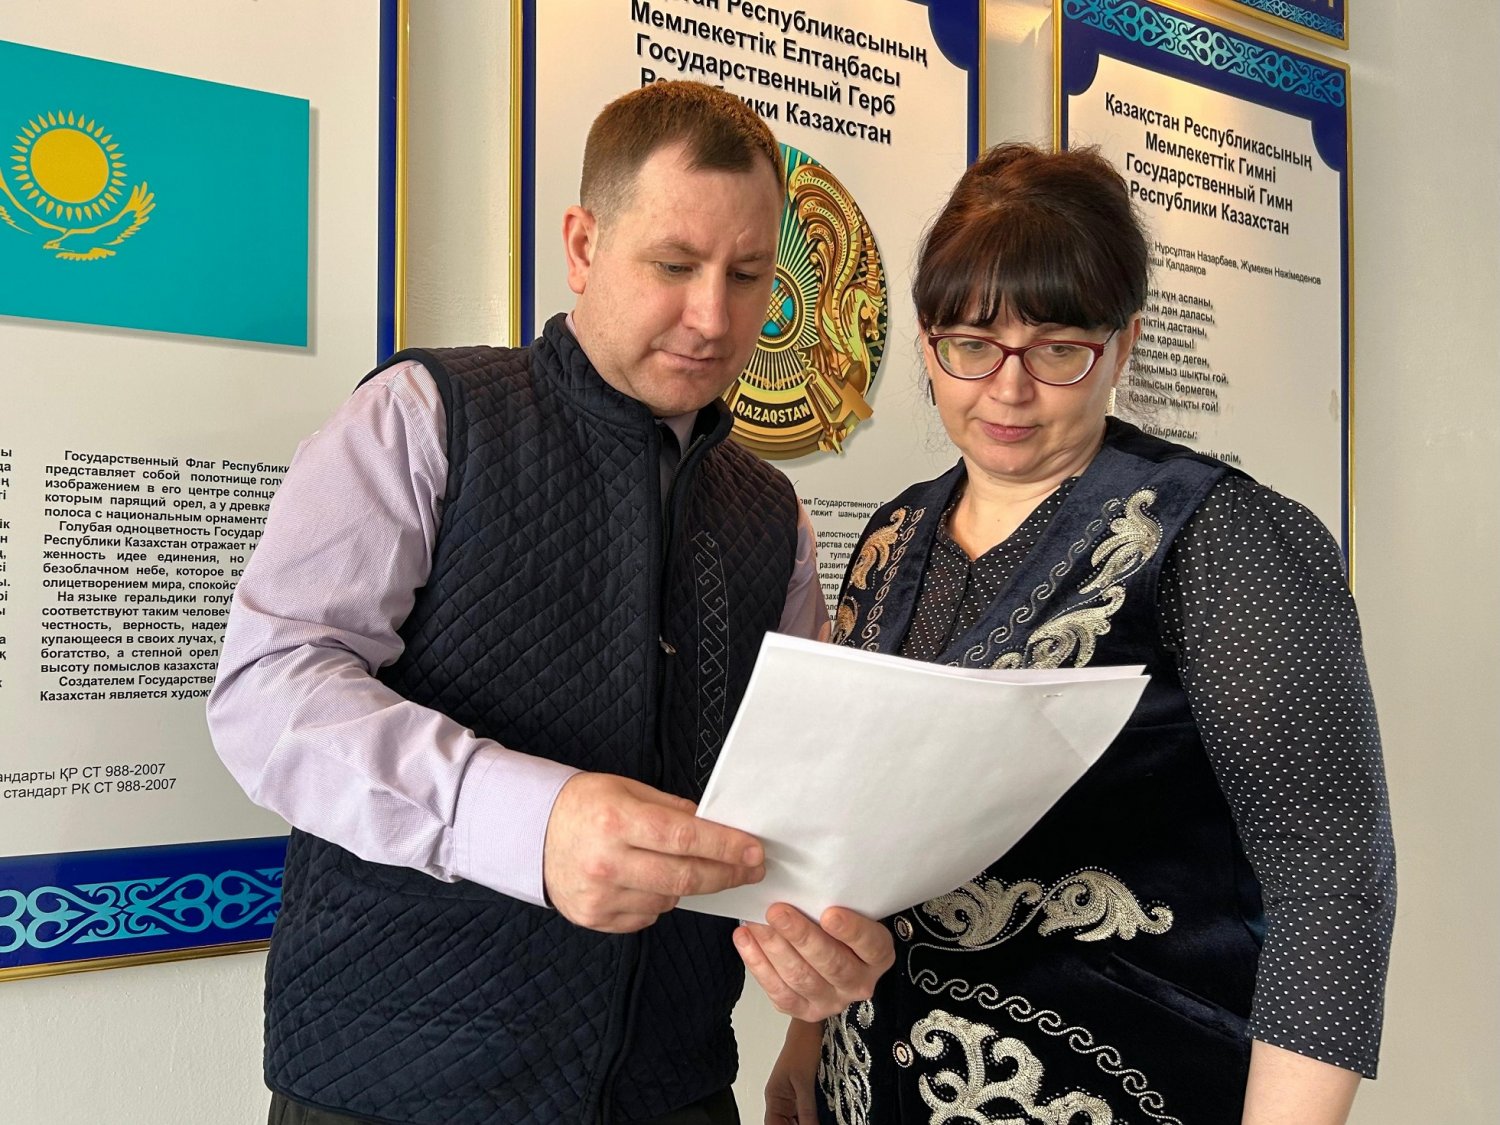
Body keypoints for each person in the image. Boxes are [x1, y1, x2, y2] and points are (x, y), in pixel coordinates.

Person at [207, 81, 893, 1125]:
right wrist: (526, 825)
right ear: (582, 245)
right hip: (394, 1092)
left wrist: (830, 931)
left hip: (673, 1089)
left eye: (750, 275)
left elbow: (794, 790)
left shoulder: (773, 512)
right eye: (674, 265)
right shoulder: (424, 417)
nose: (714, 318)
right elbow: (269, 693)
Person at [764, 143, 1394, 1125]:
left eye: (1057, 349)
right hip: (872, 1082)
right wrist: (805, 1045)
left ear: (1124, 341)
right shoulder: (892, 536)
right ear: (927, 341)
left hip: (1117, 1087)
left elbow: (1332, 882)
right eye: (972, 344)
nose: (1008, 389)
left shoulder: (1223, 538)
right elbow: (851, 833)